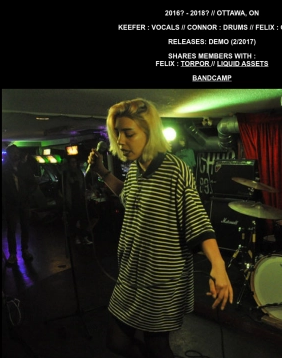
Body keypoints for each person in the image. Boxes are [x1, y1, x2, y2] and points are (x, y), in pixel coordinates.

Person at [87, 98, 233, 358]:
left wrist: (218, 265)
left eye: (128, 133)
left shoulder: (175, 170)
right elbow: (128, 196)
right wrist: (102, 171)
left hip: (160, 279)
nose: (120, 141)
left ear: (150, 132)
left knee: (157, 346)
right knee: (116, 342)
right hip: (130, 275)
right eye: (117, 133)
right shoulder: (135, 169)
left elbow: (197, 220)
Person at [2, 144, 38, 265]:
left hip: (24, 202)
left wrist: (28, 194)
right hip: (11, 204)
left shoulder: (24, 168)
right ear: (8, 155)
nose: (16, 154)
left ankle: (25, 250)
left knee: (25, 227)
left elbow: (33, 183)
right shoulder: (4, 170)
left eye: (17, 152)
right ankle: (13, 254)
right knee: (11, 229)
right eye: (13, 153)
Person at [63, 156, 93, 245]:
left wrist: (86, 194)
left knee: (83, 219)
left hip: (80, 199)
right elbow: (66, 189)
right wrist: (67, 201)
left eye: (75, 162)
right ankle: (76, 237)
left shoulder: (79, 172)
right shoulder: (66, 174)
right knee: (74, 220)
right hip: (72, 200)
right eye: (72, 162)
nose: (74, 164)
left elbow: (82, 185)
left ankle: (83, 236)